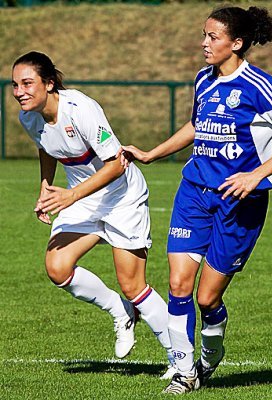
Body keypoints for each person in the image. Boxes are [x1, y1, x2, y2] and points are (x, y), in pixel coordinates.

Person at [120, 5, 272, 394]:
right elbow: (196, 124)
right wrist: (153, 153)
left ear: (236, 43)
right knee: (178, 283)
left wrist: (257, 174)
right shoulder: (202, 80)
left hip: (240, 202)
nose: (204, 43)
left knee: (207, 298)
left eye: (213, 37)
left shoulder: (261, 86)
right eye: (204, 35)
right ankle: (184, 370)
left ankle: (212, 349)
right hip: (194, 192)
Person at [11, 51, 176, 378]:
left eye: (27, 83)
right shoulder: (29, 117)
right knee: (57, 268)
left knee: (133, 285)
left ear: (49, 83)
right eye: (15, 85)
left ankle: (179, 358)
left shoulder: (82, 110)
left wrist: (71, 195)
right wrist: (46, 186)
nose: (19, 92)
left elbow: (116, 163)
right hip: (82, 199)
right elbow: (46, 147)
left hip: (121, 198)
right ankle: (121, 312)